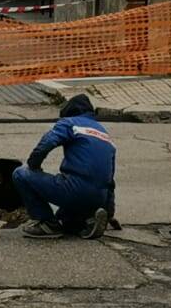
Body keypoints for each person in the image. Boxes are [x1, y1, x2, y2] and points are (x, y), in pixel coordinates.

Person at [13, 94, 116, 240]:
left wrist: (33, 165)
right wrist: (109, 213)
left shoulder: (70, 122)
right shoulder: (104, 134)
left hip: (75, 190)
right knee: (66, 220)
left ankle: (48, 224)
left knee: (20, 174)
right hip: (98, 198)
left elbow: (47, 142)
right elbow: (110, 181)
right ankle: (88, 220)